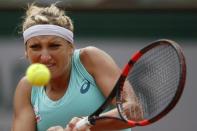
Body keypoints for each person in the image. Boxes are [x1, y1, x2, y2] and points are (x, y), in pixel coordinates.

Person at [12, 3, 143, 131]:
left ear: (71, 47)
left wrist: (88, 124)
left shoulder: (90, 59)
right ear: (26, 52)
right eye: (35, 47)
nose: (45, 57)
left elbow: (134, 111)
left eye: (54, 46)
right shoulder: (27, 89)